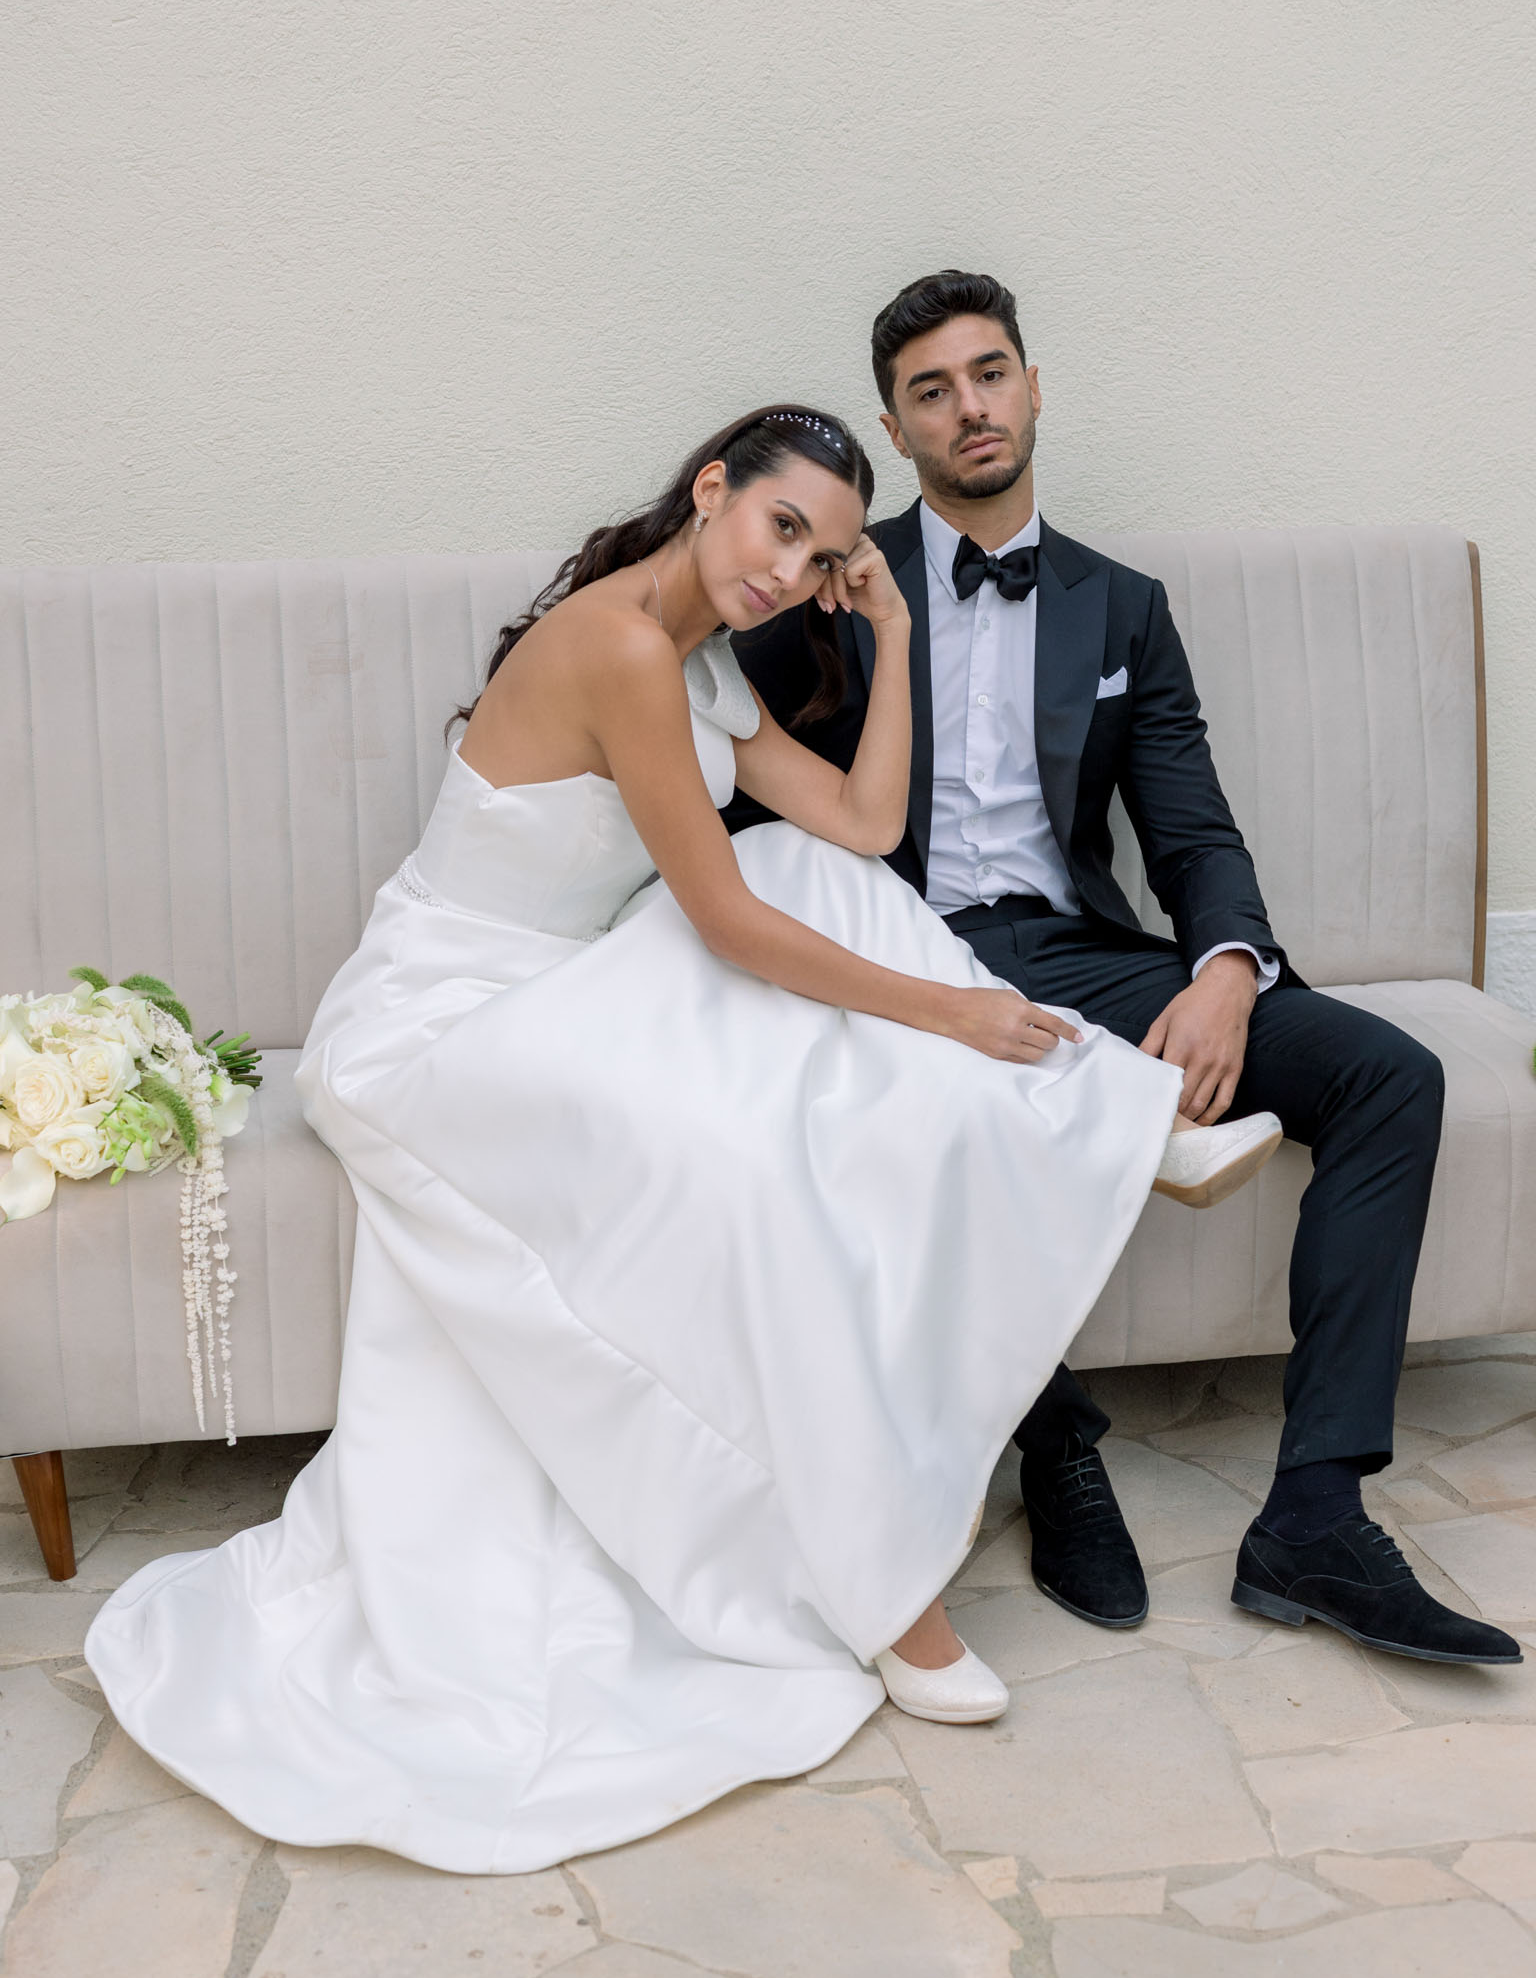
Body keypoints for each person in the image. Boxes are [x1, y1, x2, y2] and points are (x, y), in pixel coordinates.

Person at [87, 403, 1281, 1877]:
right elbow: (722, 923)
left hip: (573, 987)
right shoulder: (623, 650)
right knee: (759, 1170)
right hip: (440, 1025)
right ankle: (892, 1565)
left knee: (830, 885)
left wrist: (895, 631)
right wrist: (957, 1016)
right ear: (711, 490)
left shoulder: (705, 661)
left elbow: (864, 824)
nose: (791, 572)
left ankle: (1095, 1114)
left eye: (826, 555)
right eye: (780, 527)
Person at [728, 274, 1523, 1670]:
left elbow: (1190, 825)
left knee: (1389, 1075)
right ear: (895, 431)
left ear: (1034, 387)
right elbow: (743, 789)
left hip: (1077, 950)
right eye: (931, 391)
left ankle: (1317, 1516)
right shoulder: (837, 583)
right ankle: (1060, 1449)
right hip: (901, 952)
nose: (970, 407)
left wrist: (1226, 969)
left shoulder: (1124, 607)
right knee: (949, 1113)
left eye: (990, 373)